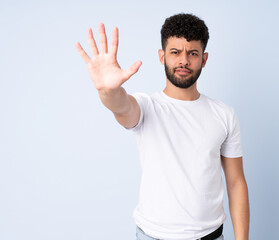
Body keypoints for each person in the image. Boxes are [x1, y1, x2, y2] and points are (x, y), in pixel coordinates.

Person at [76, 13, 249, 240]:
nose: (183, 61)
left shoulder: (224, 114)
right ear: (162, 56)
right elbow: (121, 106)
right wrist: (107, 91)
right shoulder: (147, 107)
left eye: (192, 53)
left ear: (204, 59)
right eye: (175, 52)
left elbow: (236, 183)